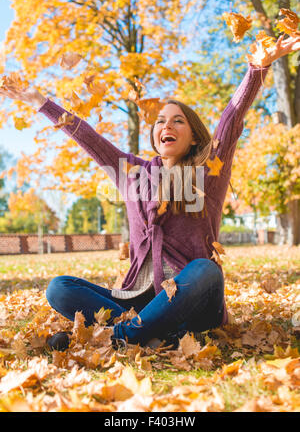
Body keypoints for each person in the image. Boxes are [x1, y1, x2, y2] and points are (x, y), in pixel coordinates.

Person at [1, 34, 299, 351]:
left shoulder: (207, 171)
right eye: (160, 121)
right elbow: (88, 138)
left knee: (205, 269)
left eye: (178, 120)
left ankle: (124, 336)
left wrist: (257, 68)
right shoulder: (132, 173)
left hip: (195, 303)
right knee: (59, 288)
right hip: (138, 302)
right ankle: (147, 333)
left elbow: (232, 117)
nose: (166, 125)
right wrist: (39, 102)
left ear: (195, 137)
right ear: (155, 134)